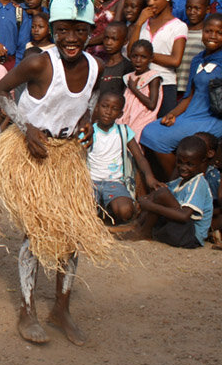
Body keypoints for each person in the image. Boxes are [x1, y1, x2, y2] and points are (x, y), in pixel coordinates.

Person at [0, 0, 116, 346]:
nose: (70, 38)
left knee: (72, 234)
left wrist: (87, 124)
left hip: (66, 157)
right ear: (53, 27)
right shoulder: (38, 62)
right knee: (35, 234)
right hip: (29, 156)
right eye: (62, 30)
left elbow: (92, 101)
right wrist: (26, 127)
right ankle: (27, 311)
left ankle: (61, 308)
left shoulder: (96, 66)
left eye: (80, 31)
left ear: (91, 31)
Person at [140, 14, 222, 180]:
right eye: (209, 31)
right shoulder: (197, 59)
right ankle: (172, 182)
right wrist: (173, 114)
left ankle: (178, 182)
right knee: (149, 130)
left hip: (210, 120)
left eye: (219, 33)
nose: (213, 36)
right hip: (190, 115)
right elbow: (189, 96)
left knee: (156, 139)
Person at [121, 135, 214, 249]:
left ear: (202, 162)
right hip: (177, 230)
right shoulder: (180, 181)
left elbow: (184, 216)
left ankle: (143, 231)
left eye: (189, 164)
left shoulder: (199, 183)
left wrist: (151, 206)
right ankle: (137, 226)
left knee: (162, 194)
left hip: (191, 236)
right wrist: (146, 199)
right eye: (180, 162)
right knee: (160, 192)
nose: (183, 167)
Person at [88, 90, 162, 224]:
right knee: (84, 212)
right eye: (105, 106)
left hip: (114, 183)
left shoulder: (123, 131)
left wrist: (149, 177)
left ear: (120, 113)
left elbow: (139, 157)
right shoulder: (89, 131)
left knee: (126, 212)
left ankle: (108, 209)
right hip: (90, 182)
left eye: (114, 109)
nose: (108, 112)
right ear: (97, 107)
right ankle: (101, 210)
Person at [127, 0, 185, 117]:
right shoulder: (143, 24)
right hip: (140, 85)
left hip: (165, 84)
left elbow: (175, 60)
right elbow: (131, 53)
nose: (151, 2)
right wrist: (139, 23)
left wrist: (146, 56)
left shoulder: (178, 26)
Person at [119, 39, 162, 140]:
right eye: (135, 56)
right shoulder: (128, 77)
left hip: (142, 118)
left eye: (143, 57)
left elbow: (152, 104)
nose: (138, 60)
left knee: (135, 141)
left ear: (151, 58)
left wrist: (134, 89)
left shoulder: (153, 77)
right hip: (126, 117)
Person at [176, 0, 210, 97]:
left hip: (195, 90)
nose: (192, 12)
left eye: (197, 8)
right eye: (189, 8)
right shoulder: (180, 30)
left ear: (207, 9)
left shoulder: (207, 35)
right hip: (176, 86)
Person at [97, 20, 131, 95]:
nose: (109, 43)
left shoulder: (127, 67)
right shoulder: (99, 65)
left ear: (125, 41)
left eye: (114, 39)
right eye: (106, 38)